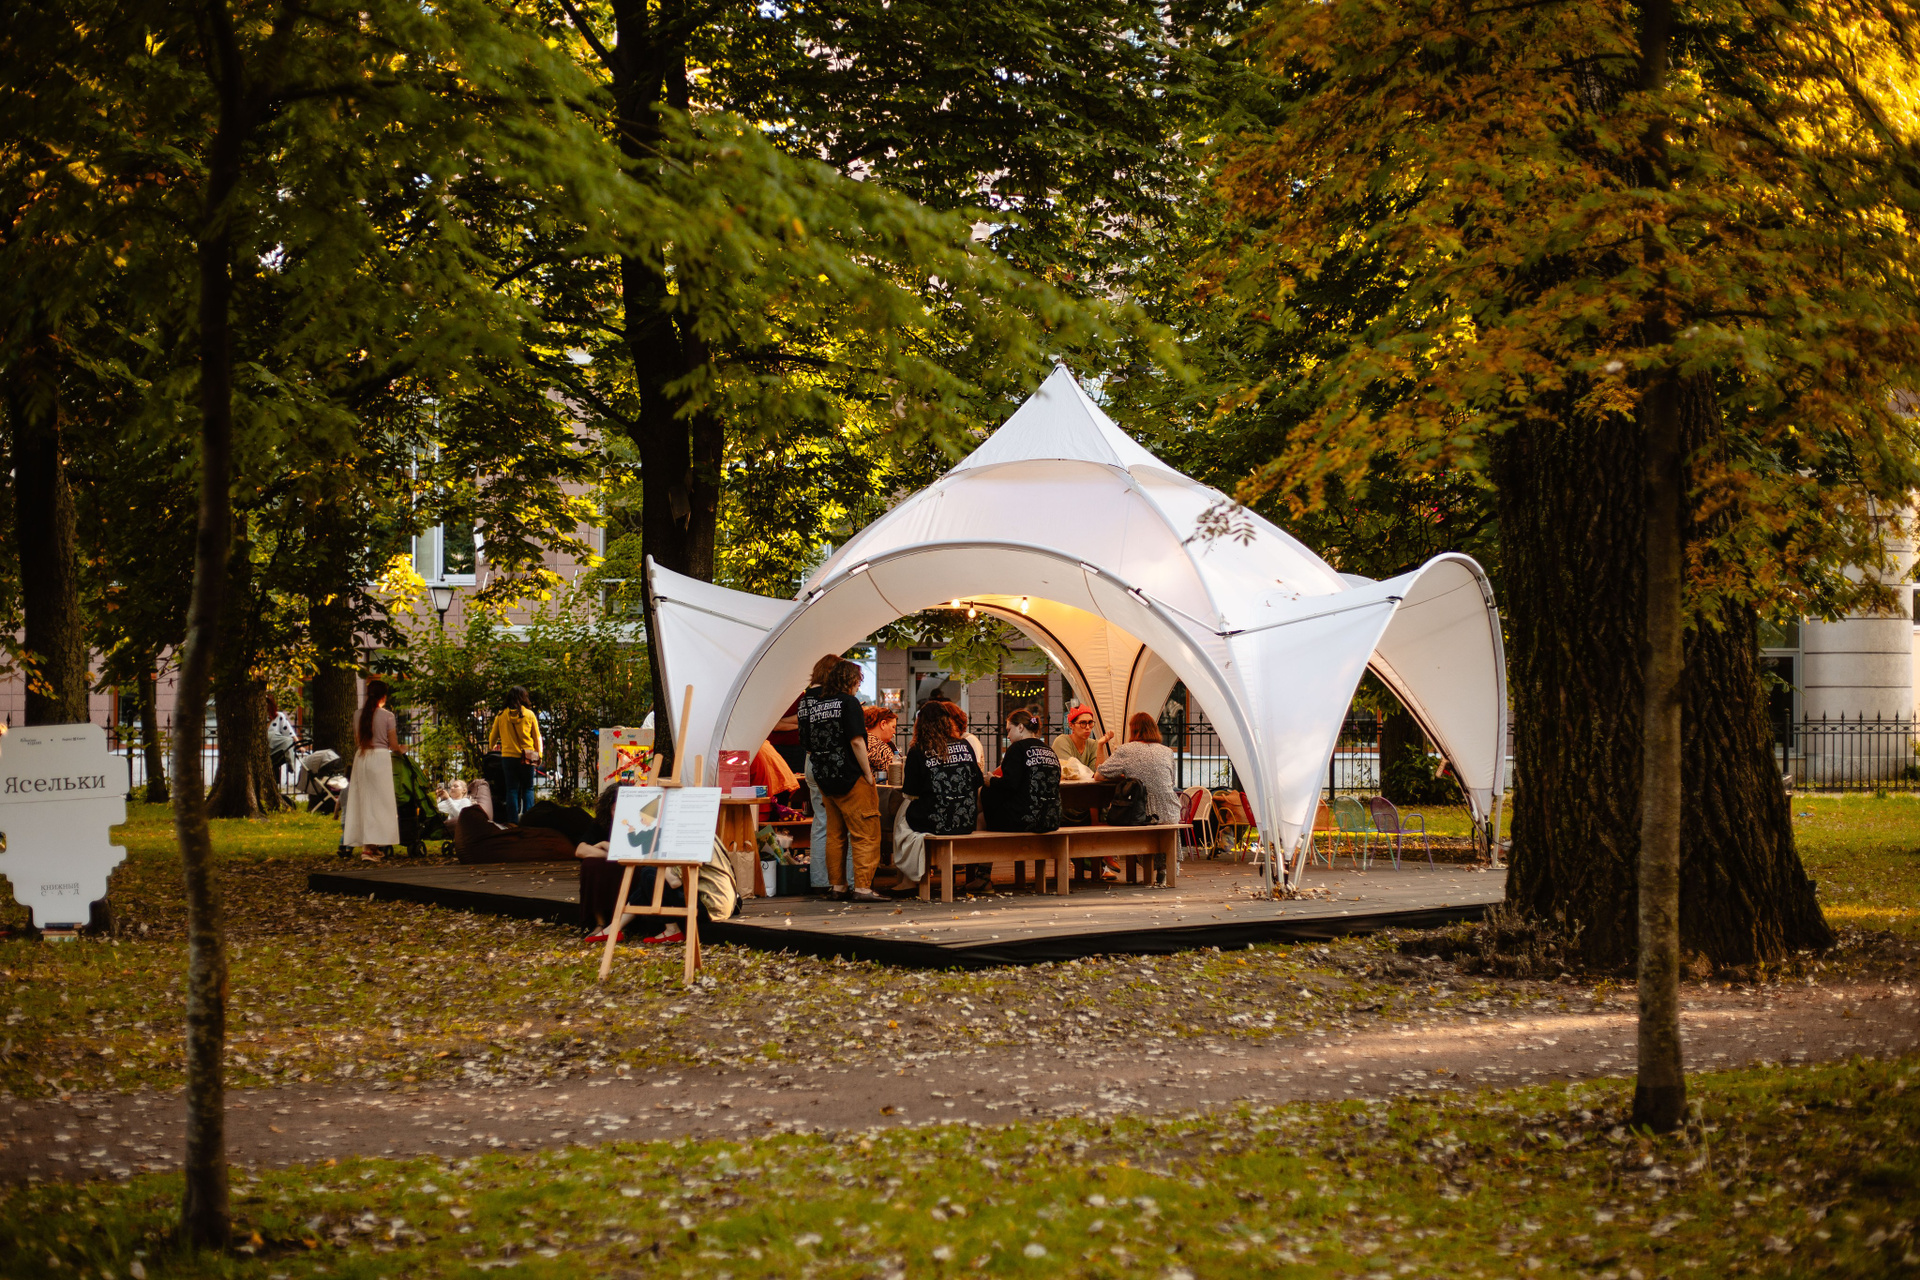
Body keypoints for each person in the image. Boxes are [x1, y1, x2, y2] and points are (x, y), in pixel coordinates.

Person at [800, 658, 884, 901]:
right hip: (850, 775)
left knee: (834, 833)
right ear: (850, 680)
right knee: (865, 832)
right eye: (858, 681)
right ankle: (863, 888)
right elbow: (857, 741)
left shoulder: (816, 705)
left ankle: (838, 886)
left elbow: (806, 743)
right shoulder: (848, 702)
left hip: (824, 776)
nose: (858, 686)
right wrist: (867, 773)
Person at [903, 699, 986, 890]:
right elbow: (977, 781)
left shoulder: (918, 750)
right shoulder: (964, 745)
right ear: (947, 722)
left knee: (901, 819)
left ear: (920, 724)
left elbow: (910, 792)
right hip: (966, 820)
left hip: (934, 822)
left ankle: (909, 879)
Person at [1097, 711, 1183, 885]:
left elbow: (1099, 775)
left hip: (1142, 812)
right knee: (1160, 824)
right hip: (1170, 810)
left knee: (1126, 815)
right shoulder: (1167, 751)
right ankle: (1164, 868)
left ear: (1133, 730)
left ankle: (1115, 860)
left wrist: (1123, 775)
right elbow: (1170, 782)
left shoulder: (1126, 750)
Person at [795, 653, 853, 894]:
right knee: (845, 823)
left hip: (811, 760)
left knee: (821, 821)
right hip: (834, 764)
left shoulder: (805, 698)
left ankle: (819, 880)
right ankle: (846, 880)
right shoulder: (835, 698)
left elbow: (802, 734)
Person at [341, 679, 404, 861]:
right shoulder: (387, 716)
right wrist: (403, 749)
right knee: (380, 802)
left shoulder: (358, 715)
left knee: (364, 800)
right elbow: (393, 745)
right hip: (380, 758)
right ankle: (369, 847)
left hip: (362, 757)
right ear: (384, 696)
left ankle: (370, 845)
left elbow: (358, 740)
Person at [983, 709, 1062, 833]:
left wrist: (991, 780)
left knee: (985, 795)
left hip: (1023, 819)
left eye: (1009, 730)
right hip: (1051, 819)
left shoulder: (1017, 748)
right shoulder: (1049, 750)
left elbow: (1010, 785)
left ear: (1020, 727)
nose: (1008, 736)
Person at [487, 686, 543, 825]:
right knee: (528, 788)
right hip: (527, 756)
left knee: (512, 789)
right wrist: (539, 754)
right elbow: (537, 737)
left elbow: (493, 737)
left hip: (508, 757)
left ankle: (512, 821)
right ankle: (528, 820)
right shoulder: (529, 715)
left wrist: (491, 746)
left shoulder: (501, 716)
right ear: (524, 697)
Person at [864, 705, 899, 780]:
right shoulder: (879, 748)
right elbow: (897, 772)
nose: (894, 732)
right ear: (883, 724)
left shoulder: (863, 739)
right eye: (893, 727)